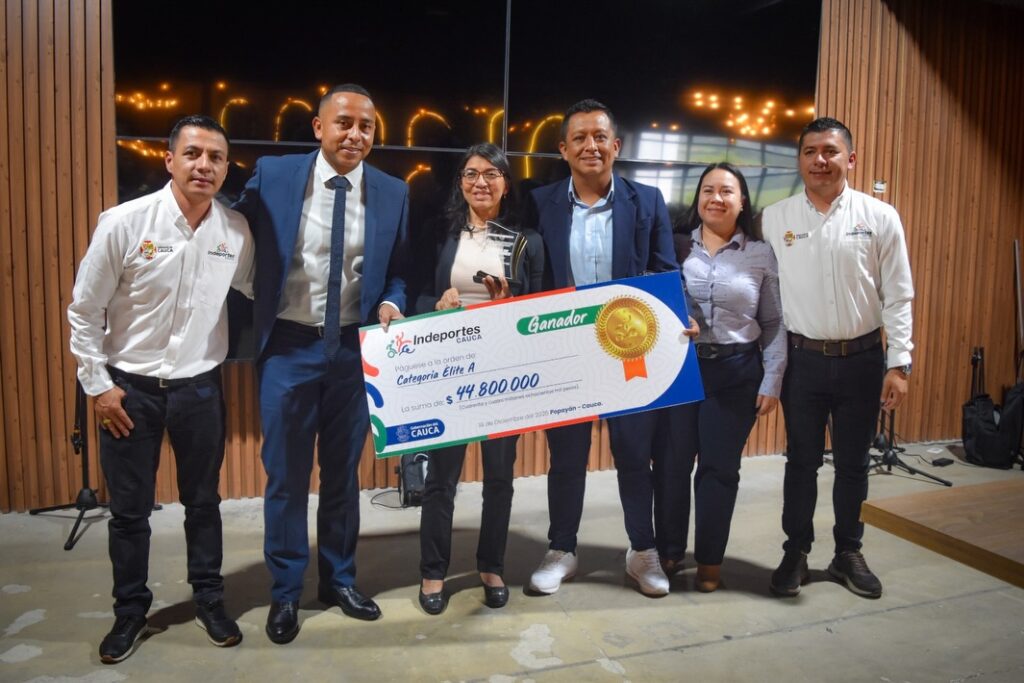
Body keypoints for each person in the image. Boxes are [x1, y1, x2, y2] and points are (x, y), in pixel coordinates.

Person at [68, 115, 253, 663]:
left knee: (204, 503)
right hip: (129, 392)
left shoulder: (235, 232)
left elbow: (260, 290)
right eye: (193, 154)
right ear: (169, 160)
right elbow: (84, 311)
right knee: (129, 513)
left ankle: (210, 600)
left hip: (200, 389)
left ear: (226, 168)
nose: (204, 165)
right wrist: (99, 387)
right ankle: (130, 612)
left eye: (215, 157)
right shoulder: (125, 223)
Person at [232, 84, 408, 643]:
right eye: (344, 123)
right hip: (288, 346)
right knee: (286, 477)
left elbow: (399, 269)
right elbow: (230, 232)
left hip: (353, 350)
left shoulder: (393, 191)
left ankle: (339, 580)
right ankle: (285, 591)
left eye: (366, 126)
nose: (355, 134)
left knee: (342, 475)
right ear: (318, 127)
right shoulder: (276, 175)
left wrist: (393, 300)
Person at [525, 99, 684, 597]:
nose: (590, 146)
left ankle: (642, 552)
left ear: (616, 145)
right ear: (563, 149)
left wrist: (677, 317)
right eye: (579, 138)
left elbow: (665, 271)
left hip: (628, 348)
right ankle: (562, 550)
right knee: (566, 457)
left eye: (599, 137)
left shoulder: (647, 201)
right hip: (565, 350)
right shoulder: (539, 203)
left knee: (634, 454)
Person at [761, 117, 914, 599]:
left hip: (863, 360)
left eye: (830, 151)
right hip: (802, 362)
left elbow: (899, 295)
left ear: (851, 158)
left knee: (853, 464)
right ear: (799, 160)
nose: (819, 160)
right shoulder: (775, 218)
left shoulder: (879, 216)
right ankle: (796, 552)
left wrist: (899, 363)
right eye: (810, 152)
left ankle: (848, 552)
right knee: (800, 462)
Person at [415, 143, 544, 615]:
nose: (480, 182)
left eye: (491, 173)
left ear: (506, 184)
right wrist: (436, 305)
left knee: (499, 478)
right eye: (471, 174)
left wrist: (511, 303)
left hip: (503, 370)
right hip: (450, 369)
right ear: (460, 183)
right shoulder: (439, 234)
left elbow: (541, 308)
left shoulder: (527, 240)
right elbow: (418, 293)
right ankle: (433, 571)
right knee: (441, 479)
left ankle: (492, 566)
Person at [652, 162, 786, 592]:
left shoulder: (761, 253)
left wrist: (772, 380)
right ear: (698, 199)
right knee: (671, 465)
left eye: (726, 191)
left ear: (742, 200)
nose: (716, 198)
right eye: (708, 190)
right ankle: (669, 551)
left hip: (736, 372)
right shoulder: (674, 247)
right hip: (680, 369)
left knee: (719, 469)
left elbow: (774, 323)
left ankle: (710, 560)